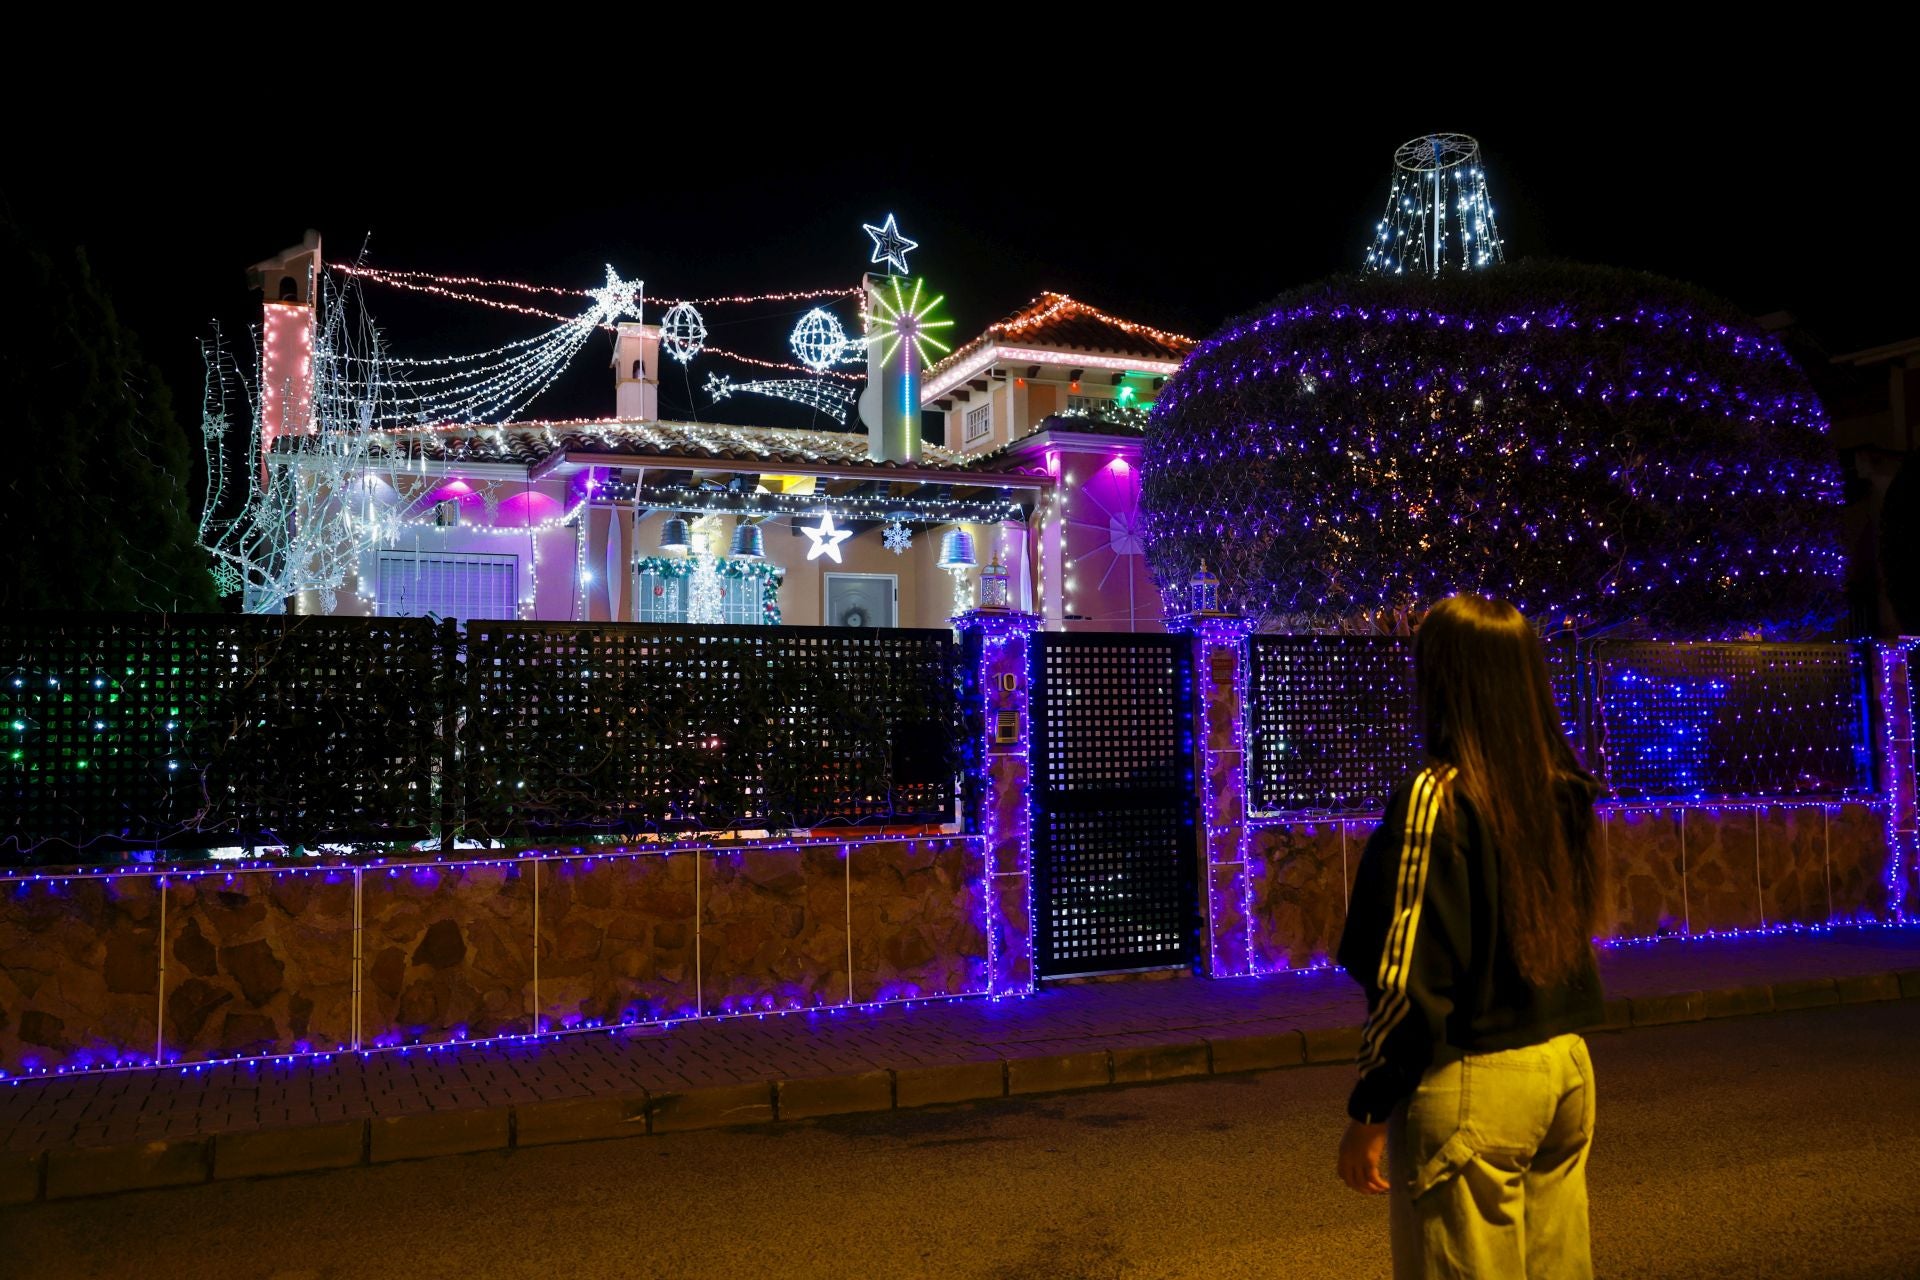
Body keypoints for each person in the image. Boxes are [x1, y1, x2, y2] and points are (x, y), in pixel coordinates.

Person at [1334, 595, 1606, 1279]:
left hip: (1474, 1081)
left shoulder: (1439, 793)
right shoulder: (1560, 786)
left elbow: (1408, 974)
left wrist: (1371, 1104)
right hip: (1564, 1070)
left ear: (1445, 678)